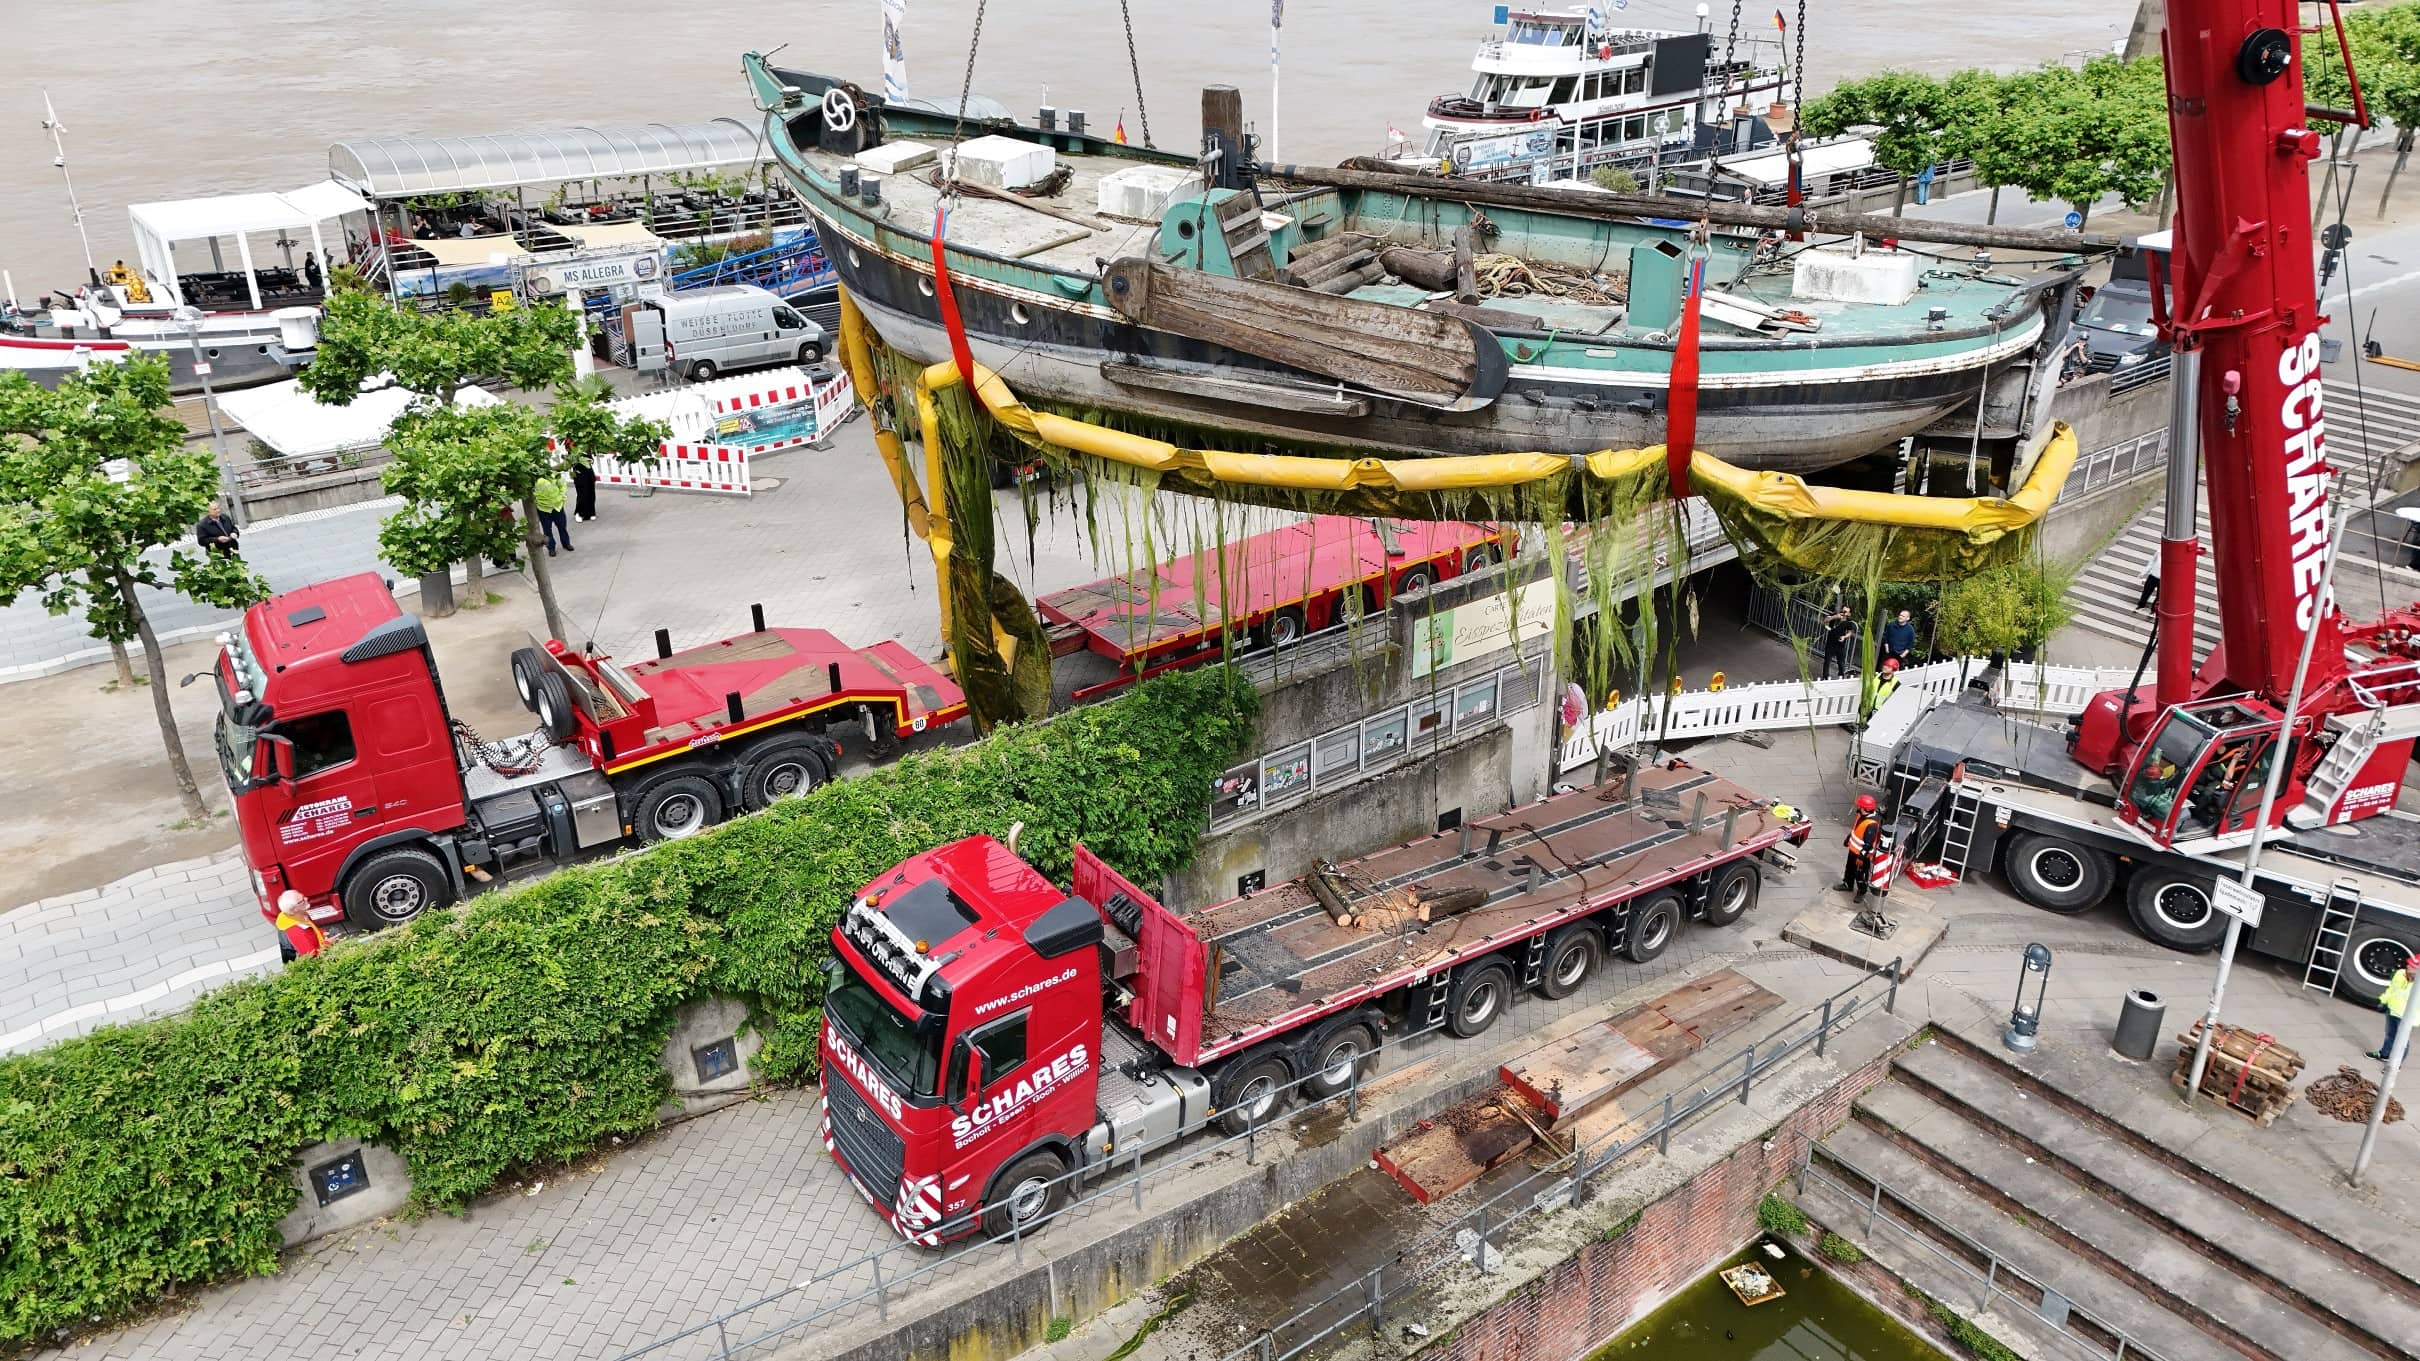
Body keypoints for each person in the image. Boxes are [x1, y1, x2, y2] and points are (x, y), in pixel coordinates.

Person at [2370, 953, 2415, 1061]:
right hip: (2392, 1011)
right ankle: (2384, 1054)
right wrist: (2383, 1001)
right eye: (2409, 964)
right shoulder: (2400, 974)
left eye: (2413, 966)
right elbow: (2392, 989)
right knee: (2390, 1034)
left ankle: (2396, 1064)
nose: (2408, 967)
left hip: (2406, 1016)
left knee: (2402, 1040)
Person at [1841, 794, 1882, 896]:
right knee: (1849, 868)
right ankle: (1847, 884)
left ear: (1865, 809)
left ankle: (1861, 891)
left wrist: (1861, 856)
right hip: (1853, 850)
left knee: (1861, 874)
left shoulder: (1871, 824)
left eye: (1860, 806)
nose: (1858, 808)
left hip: (1862, 855)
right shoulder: (1861, 815)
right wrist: (1848, 838)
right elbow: (1856, 829)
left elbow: (1868, 844)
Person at [273, 890, 326, 964]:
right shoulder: (297, 933)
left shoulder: (296, 914)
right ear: (294, 909)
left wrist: (321, 933)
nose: (306, 898)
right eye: (302, 900)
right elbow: (312, 957)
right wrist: (328, 944)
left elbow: (312, 931)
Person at [533, 476, 574, 555]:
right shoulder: (534, 477)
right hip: (543, 509)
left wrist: (562, 497)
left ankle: (566, 544)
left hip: (557, 507)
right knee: (547, 530)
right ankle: (551, 548)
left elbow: (562, 485)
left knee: (562, 527)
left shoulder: (553, 474)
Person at [1820, 605, 1856, 680]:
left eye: (1845, 612)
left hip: (1840, 644)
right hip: (1831, 642)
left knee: (1841, 661)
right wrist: (1835, 617)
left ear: (1849, 614)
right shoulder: (1835, 615)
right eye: (1842, 610)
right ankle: (1825, 676)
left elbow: (1850, 632)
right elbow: (1825, 620)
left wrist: (1844, 637)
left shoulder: (1849, 622)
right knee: (1827, 660)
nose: (1843, 613)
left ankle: (1841, 676)